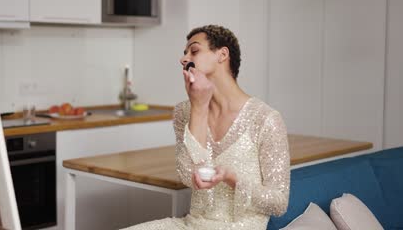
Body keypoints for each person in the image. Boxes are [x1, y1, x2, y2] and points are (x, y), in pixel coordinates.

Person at [123, 25, 290, 230]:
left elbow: (278, 203)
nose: (183, 59)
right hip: (191, 225)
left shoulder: (266, 119)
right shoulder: (184, 111)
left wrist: (233, 178)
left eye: (194, 51)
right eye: (185, 53)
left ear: (222, 54)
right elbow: (187, 176)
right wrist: (199, 108)